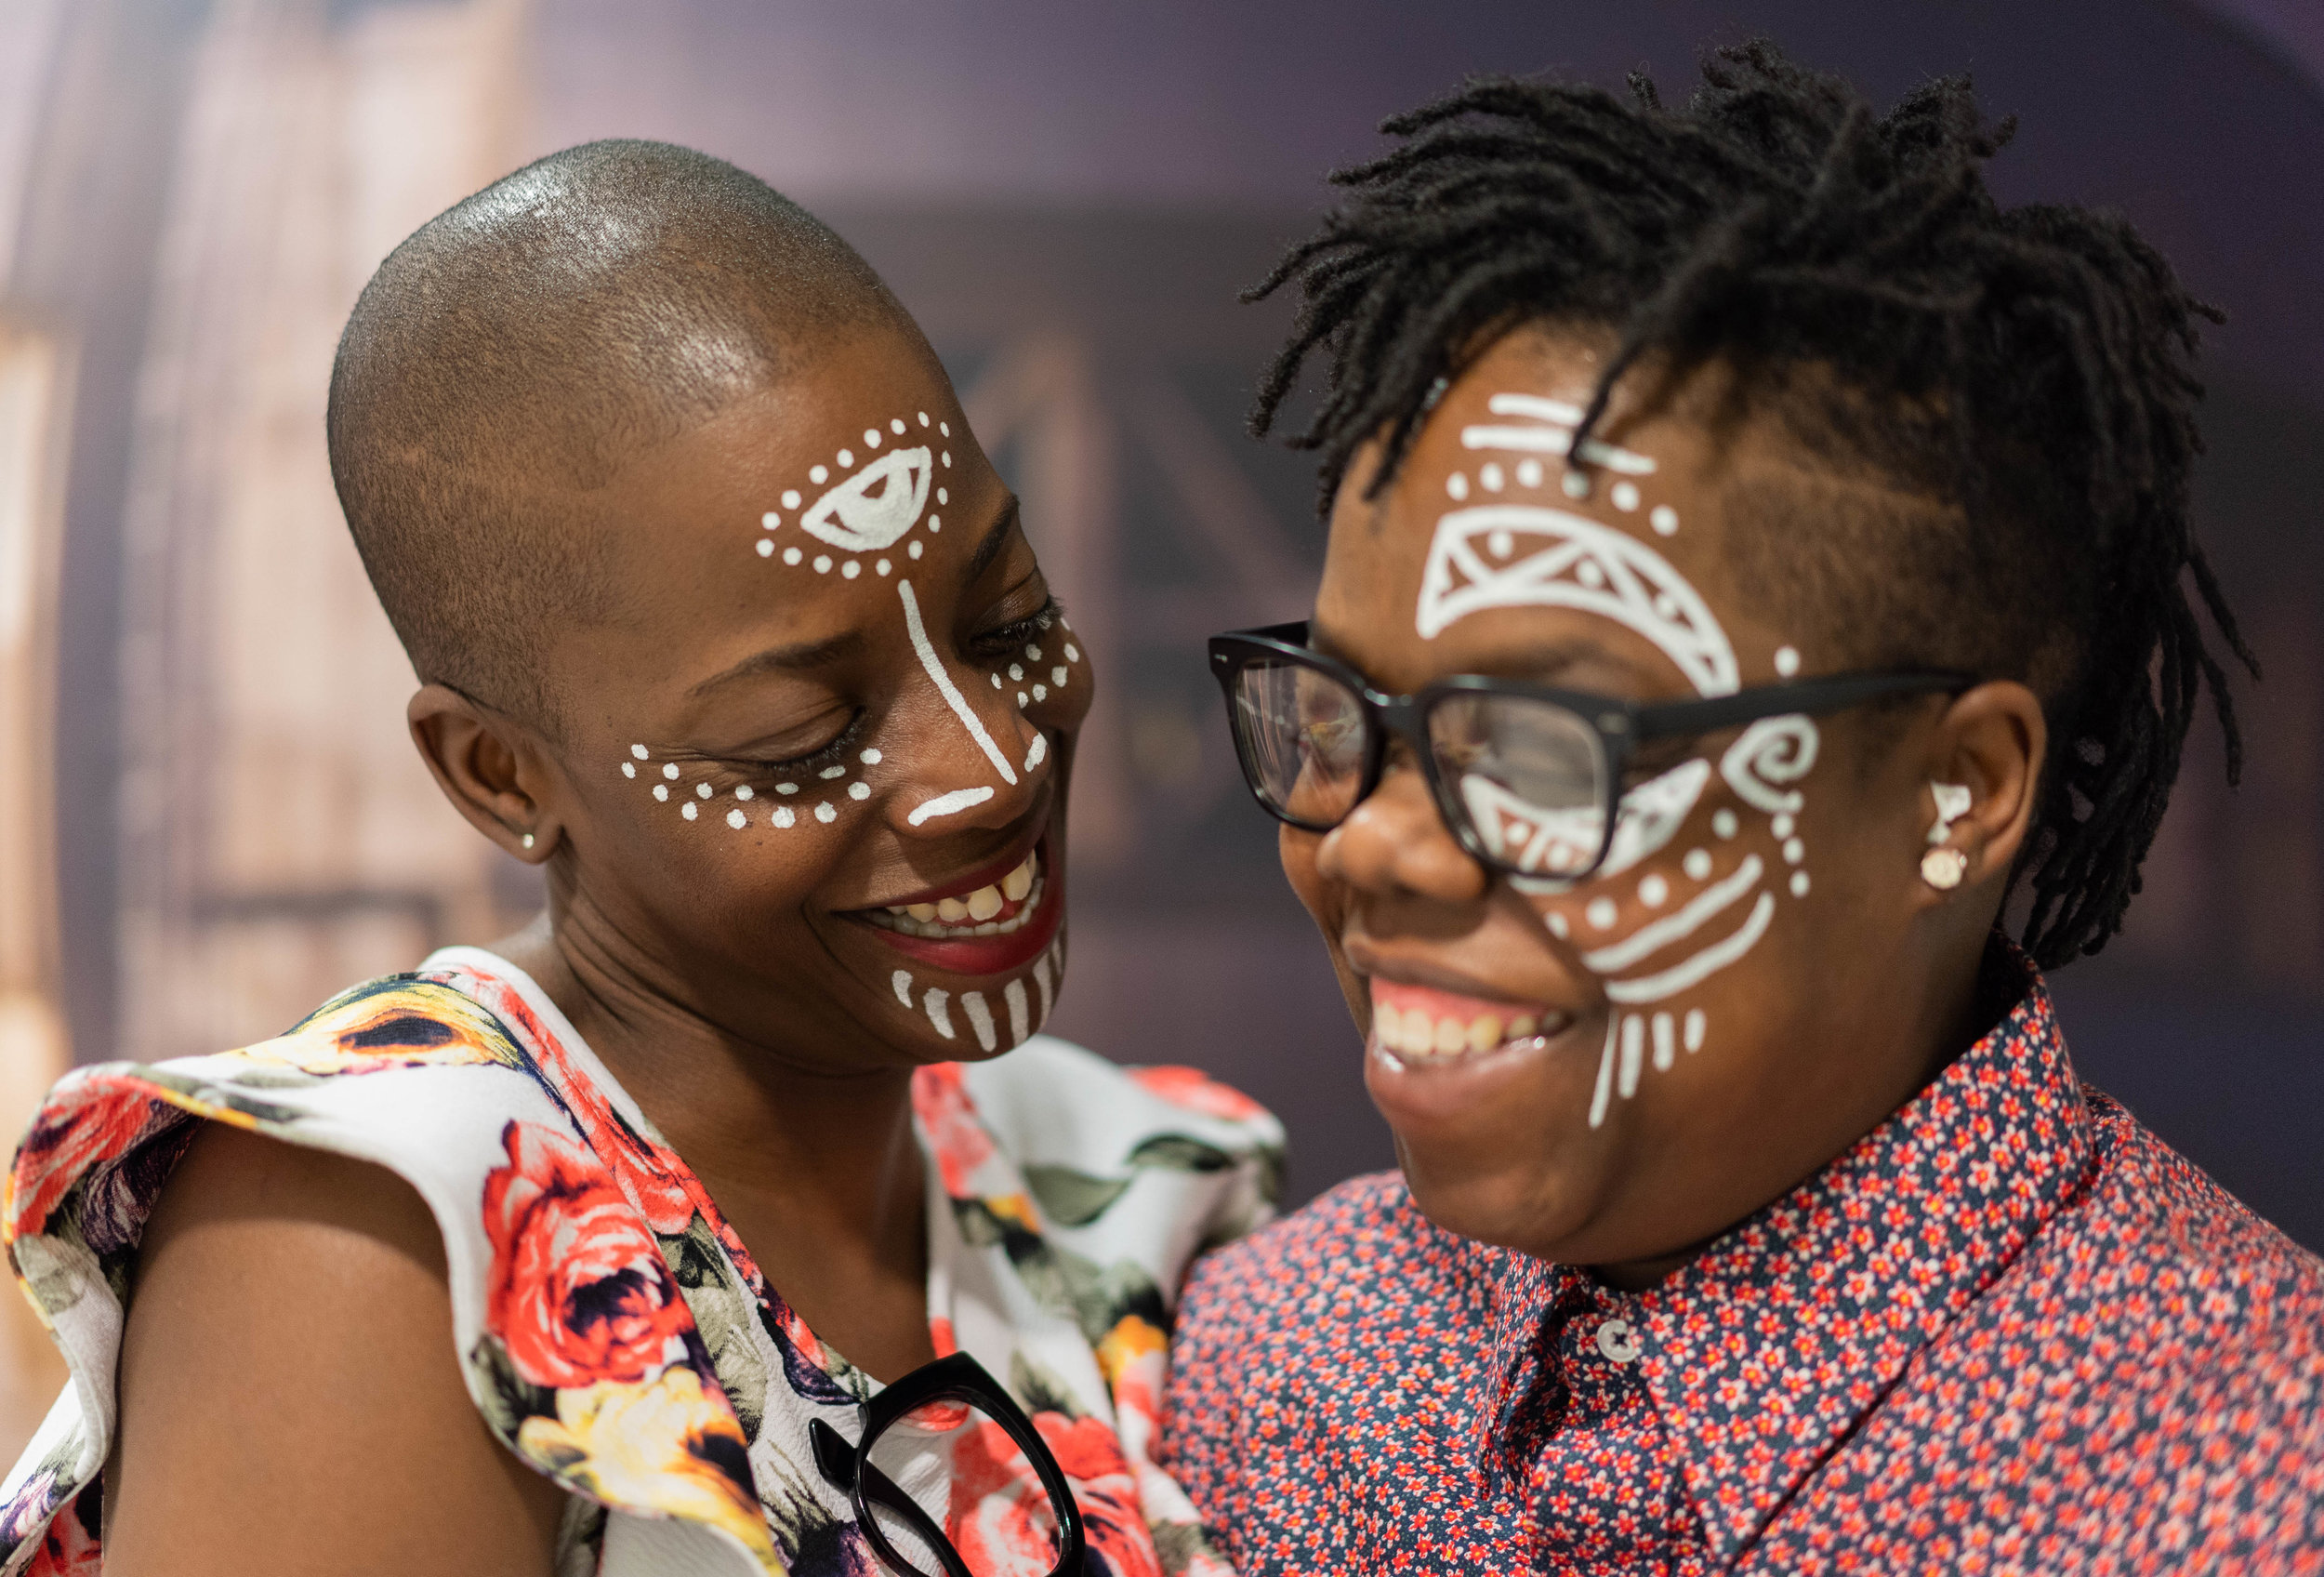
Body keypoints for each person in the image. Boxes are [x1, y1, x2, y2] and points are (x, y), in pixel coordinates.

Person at [0, 141, 1278, 1577]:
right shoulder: (385, 1232)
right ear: (501, 776)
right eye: (803, 734)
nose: (993, 766)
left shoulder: (1121, 1173)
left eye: (1006, 620)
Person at [1161, 42, 2324, 1575]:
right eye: (1348, 711)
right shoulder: (1272, 1361)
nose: (1369, 841)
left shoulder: (2251, 1494)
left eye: (1538, 742)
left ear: (1954, 790)